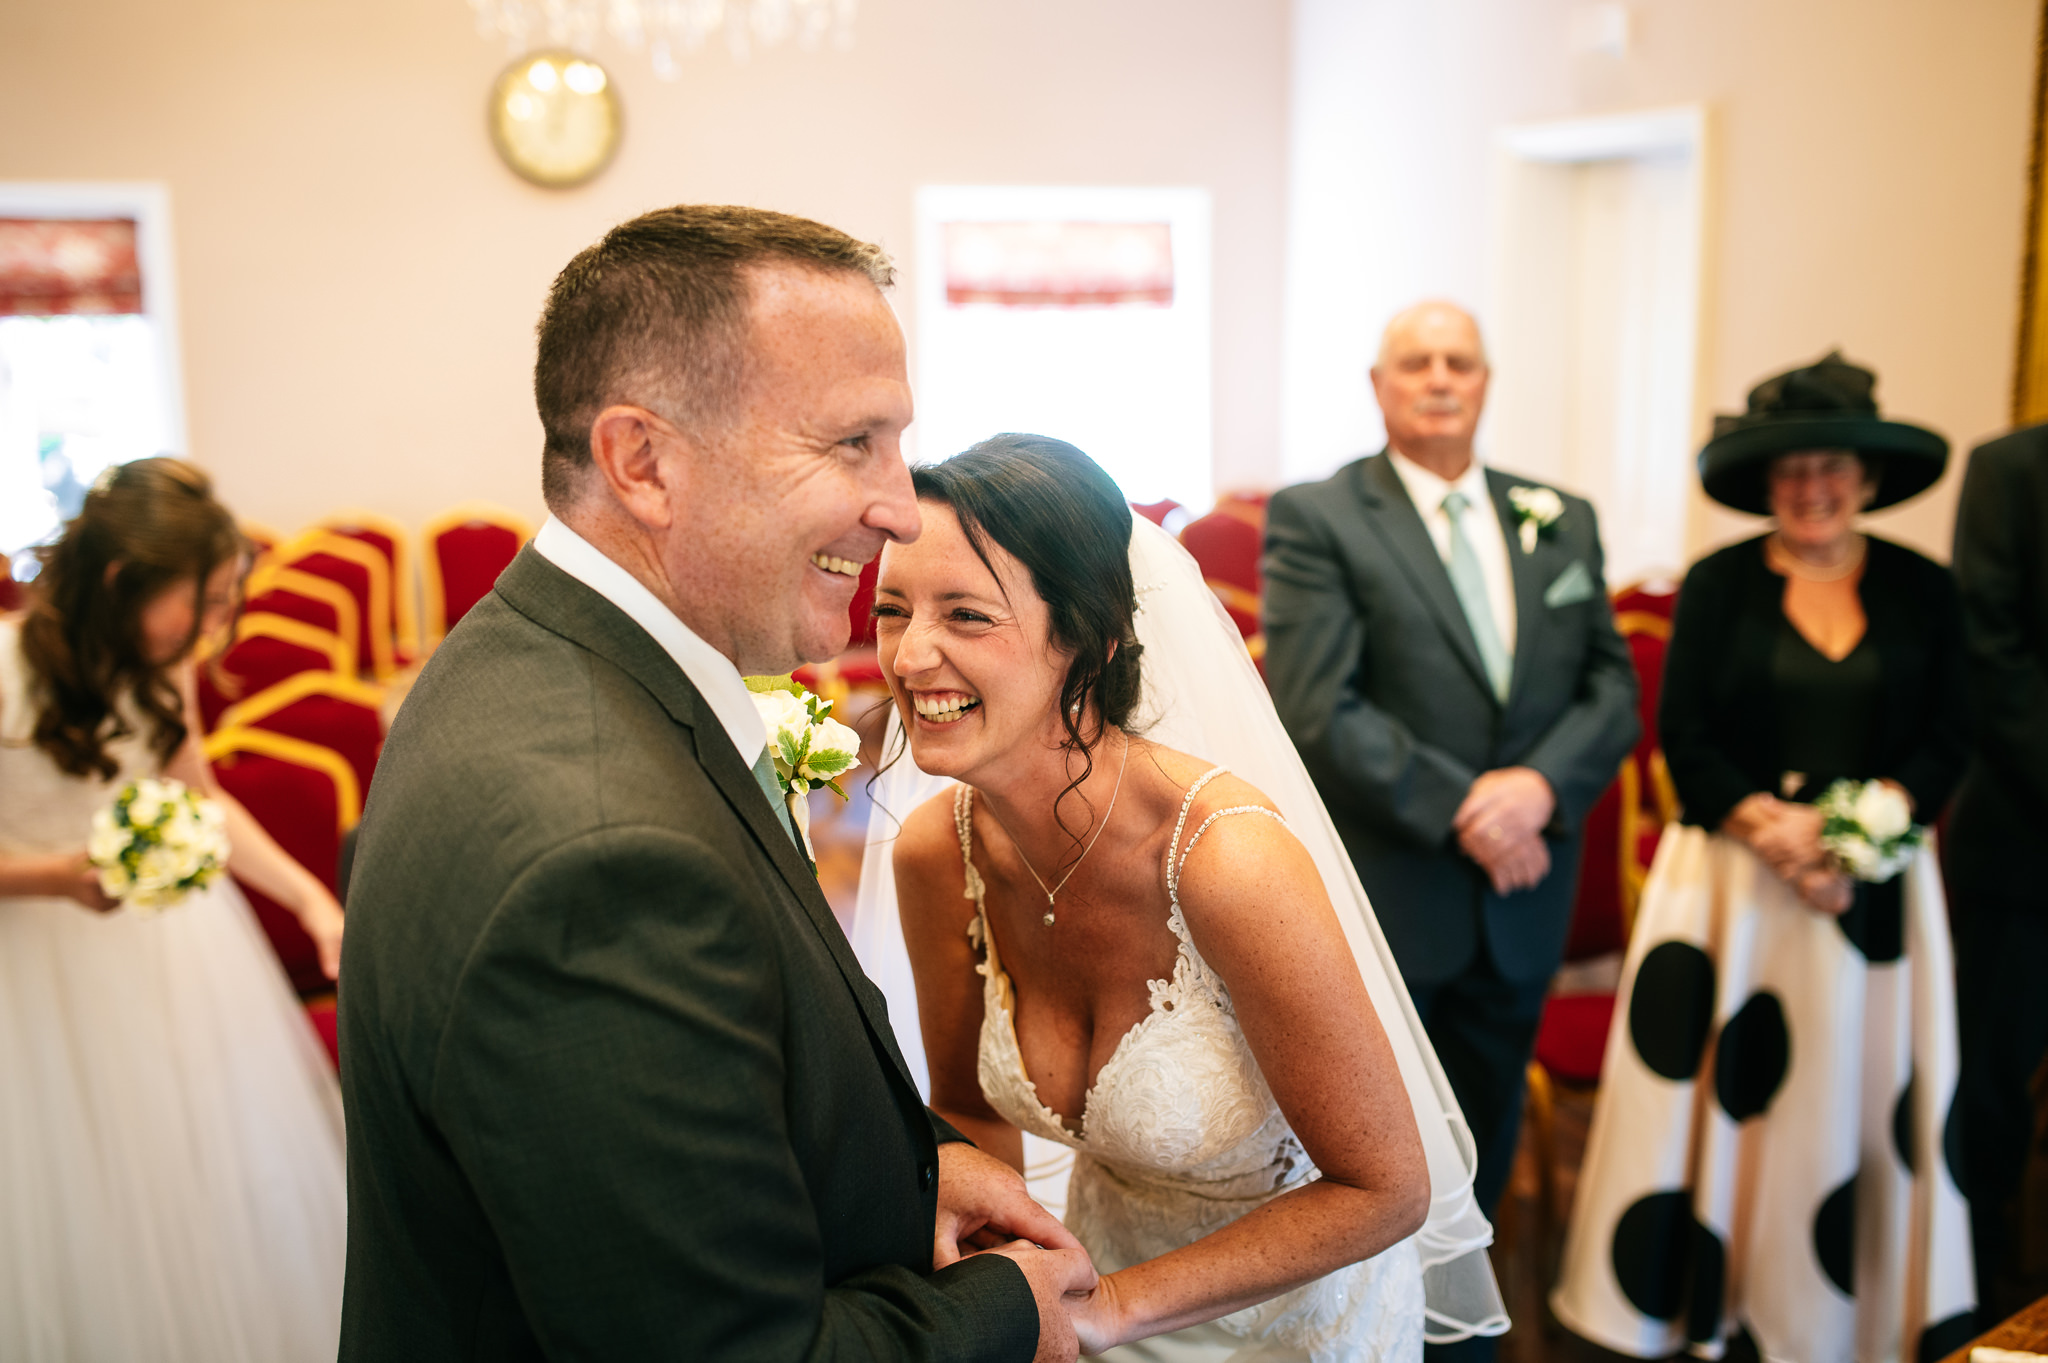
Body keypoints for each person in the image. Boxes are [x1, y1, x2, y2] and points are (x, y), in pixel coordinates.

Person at [338, 206, 1094, 1362]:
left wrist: (908, 1171)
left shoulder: (521, 651)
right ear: (642, 462)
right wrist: (1007, 1310)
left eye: (896, 442)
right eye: (851, 443)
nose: (898, 507)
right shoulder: (601, 861)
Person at [857, 434, 1515, 1362]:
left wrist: (1114, 1306)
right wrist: (1014, 1284)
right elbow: (972, 1107)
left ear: (1091, 640)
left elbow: (1386, 1189)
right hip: (1090, 1289)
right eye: (891, 610)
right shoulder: (938, 852)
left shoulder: (1227, 859)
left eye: (966, 614)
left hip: (1289, 1321)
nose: (911, 654)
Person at [1551, 352, 1976, 1362]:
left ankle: (1846, 1317)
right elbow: (1683, 731)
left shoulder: (1923, 588)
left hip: (1874, 889)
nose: (1811, 486)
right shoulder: (1717, 584)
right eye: (1790, 469)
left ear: (1866, 478)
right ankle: (1712, 1306)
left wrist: (1864, 829)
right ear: (1764, 482)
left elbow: (1952, 732)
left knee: (1851, 1088)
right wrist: (1768, 828)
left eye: (1831, 466)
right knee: (1728, 1093)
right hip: (1732, 885)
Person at [1260, 300, 1640, 1330]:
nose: (1438, 378)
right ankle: (1374, 1334)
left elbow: (1610, 687)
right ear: (1378, 386)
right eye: (1416, 361)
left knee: (1488, 1137)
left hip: (1525, 892)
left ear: (1484, 382)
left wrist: (1537, 790)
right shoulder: (1320, 516)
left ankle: (1467, 1334)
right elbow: (1316, 704)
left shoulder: (1559, 516)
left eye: (1458, 362)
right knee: (1378, 1164)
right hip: (1397, 891)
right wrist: (1466, 805)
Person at [0, 456, 347, 1361]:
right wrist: (56, 876)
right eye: (208, 600)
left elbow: (205, 801)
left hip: (163, 960)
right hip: (28, 973)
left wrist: (310, 897)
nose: (217, 627)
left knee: (192, 1183)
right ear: (125, 579)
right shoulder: (3, 666)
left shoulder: (162, 668)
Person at [1949, 420, 2048, 1321]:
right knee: (1988, 1091)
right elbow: (1991, 650)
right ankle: (1977, 1306)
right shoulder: (2010, 469)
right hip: (2024, 847)